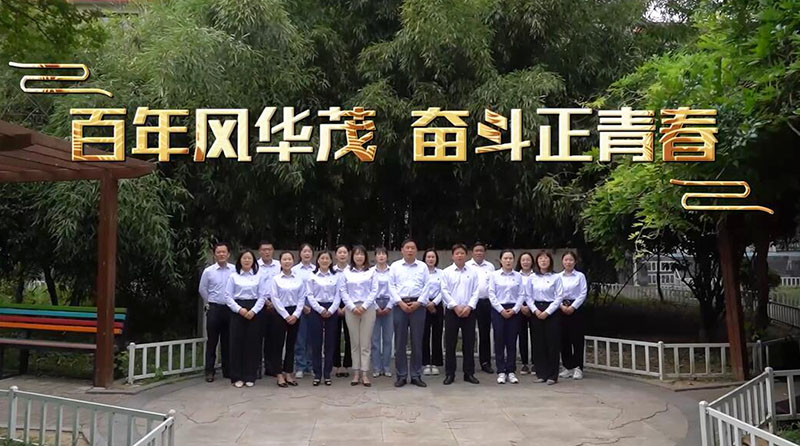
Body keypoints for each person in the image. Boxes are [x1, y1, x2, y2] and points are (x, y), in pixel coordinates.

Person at [389, 239, 430, 388]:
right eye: (407, 248)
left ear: (416, 250)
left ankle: (415, 375)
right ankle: (401, 375)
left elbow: (427, 286)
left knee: (417, 342)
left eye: (413, 248)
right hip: (400, 305)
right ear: (402, 250)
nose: (410, 250)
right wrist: (400, 302)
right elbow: (391, 286)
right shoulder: (395, 266)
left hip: (418, 306)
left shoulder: (423, 266)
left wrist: (419, 303)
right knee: (400, 342)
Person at [224, 250, 266, 388]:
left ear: (253, 261)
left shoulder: (259, 276)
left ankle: (250, 375)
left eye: (249, 258)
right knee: (236, 343)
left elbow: (262, 296)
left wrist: (253, 311)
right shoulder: (233, 276)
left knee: (252, 343)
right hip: (238, 310)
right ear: (239, 261)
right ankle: (237, 376)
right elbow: (228, 296)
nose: (247, 260)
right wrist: (239, 310)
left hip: (254, 310)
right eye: (244, 258)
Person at [439, 244, 481, 385]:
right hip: (452, 311)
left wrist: (469, 307)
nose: (459, 255)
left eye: (462, 253)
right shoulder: (446, 272)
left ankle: (469, 373)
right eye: (457, 253)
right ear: (453, 256)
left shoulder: (473, 272)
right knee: (450, 343)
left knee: (469, 343)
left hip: (469, 311)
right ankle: (450, 373)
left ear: (466, 255)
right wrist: (455, 306)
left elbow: (476, 291)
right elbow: (444, 291)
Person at [522, 251, 563, 385]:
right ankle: (541, 373)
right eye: (540, 259)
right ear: (537, 262)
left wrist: (547, 312)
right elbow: (528, 296)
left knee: (552, 343)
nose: (543, 261)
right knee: (538, 343)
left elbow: (559, 297)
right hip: (536, 310)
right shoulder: (532, 277)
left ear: (550, 261)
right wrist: (534, 310)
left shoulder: (556, 277)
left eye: (546, 259)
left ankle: (552, 375)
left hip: (551, 310)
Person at [268, 251, 308, 387]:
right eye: (284, 259)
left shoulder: (298, 279)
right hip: (280, 313)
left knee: (291, 344)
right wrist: (285, 315)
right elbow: (274, 298)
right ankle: (279, 374)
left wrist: (296, 314)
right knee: (278, 344)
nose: (287, 262)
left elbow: (302, 297)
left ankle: (288, 372)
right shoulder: (276, 279)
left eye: (289, 259)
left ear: (293, 261)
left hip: (295, 312)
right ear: (280, 262)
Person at [198, 242, 235, 382]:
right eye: (218, 252)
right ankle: (209, 371)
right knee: (212, 341)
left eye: (224, 252)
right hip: (214, 308)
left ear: (228, 254)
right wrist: (209, 302)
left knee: (228, 341)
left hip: (230, 309)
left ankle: (228, 370)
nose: (221, 254)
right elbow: (202, 289)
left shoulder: (234, 270)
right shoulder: (208, 271)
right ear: (214, 255)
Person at [341, 245, 376, 386]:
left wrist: (364, 306)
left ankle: (365, 373)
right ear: (352, 256)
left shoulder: (372, 271)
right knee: (355, 342)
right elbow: (343, 291)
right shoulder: (346, 272)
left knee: (365, 343)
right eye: (356, 254)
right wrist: (351, 306)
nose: (359, 257)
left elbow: (374, 290)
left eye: (362, 254)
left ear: (365, 256)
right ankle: (356, 373)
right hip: (351, 309)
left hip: (368, 308)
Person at [306, 251, 342, 386]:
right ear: (318, 261)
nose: (325, 260)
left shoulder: (336, 276)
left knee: (330, 342)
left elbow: (338, 295)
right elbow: (309, 295)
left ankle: (327, 373)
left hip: (332, 308)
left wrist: (331, 309)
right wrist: (320, 309)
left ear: (331, 261)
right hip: (316, 309)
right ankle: (317, 374)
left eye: (327, 258)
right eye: (322, 258)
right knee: (316, 342)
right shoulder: (312, 276)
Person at [488, 250, 525, 384]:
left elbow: (521, 294)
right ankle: (501, 371)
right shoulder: (494, 275)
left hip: (513, 310)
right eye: (505, 258)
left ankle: (511, 370)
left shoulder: (518, 276)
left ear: (514, 260)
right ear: (501, 260)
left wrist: (515, 309)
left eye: (510, 258)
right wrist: (501, 309)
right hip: (499, 309)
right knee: (499, 340)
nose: (508, 261)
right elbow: (491, 294)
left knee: (511, 340)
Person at [466, 242, 496, 374]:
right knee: (469, 334)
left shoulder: (490, 266)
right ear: (472, 252)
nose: (479, 253)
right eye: (476, 250)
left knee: (485, 334)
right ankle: (469, 363)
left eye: (481, 250)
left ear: (485, 252)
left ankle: (485, 362)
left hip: (485, 302)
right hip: (470, 303)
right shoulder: (466, 266)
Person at [558, 251, 588, 381]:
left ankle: (578, 367)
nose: (568, 262)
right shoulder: (558, 277)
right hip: (561, 308)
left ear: (575, 262)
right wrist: (561, 306)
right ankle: (567, 366)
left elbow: (583, 293)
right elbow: (555, 293)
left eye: (571, 260)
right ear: (562, 261)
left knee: (577, 339)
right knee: (563, 338)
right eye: (566, 260)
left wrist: (573, 307)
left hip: (576, 309)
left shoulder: (580, 276)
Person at [256, 241, 281, 378]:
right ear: (260, 251)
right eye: (264, 250)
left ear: (273, 251)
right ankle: (257, 367)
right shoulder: (255, 266)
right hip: (260, 305)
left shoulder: (279, 265)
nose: (267, 252)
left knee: (274, 337)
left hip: (277, 305)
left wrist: (274, 302)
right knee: (258, 336)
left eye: (269, 249)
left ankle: (271, 367)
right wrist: (265, 301)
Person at [292, 243, 315, 379]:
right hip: (298, 305)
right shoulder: (294, 270)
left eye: (309, 251)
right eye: (304, 251)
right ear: (300, 253)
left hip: (314, 305)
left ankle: (310, 365)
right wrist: (302, 306)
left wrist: (313, 305)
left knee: (312, 338)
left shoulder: (316, 269)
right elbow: (292, 288)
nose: (306, 254)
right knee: (300, 338)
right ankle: (300, 366)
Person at [369, 247, 393, 378]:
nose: (381, 256)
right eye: (379, 254)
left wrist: (389, 306)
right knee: (375, 339)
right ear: (375, 257)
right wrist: (375, 306)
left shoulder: (392, 271)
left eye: (384, 254)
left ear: (387, 256)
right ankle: (376, 367)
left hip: (389, 303)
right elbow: (368, 290)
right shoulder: (370, 272)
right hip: (375, 303)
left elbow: (395, 288)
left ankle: (387, 366)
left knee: (388, 339)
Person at [421, 249, 444, 376]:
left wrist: (434, 303)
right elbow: (419, 288)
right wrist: (427, 303)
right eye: (428, 257)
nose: (430, 259)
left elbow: (444, 290)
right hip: (423, 304)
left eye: (433, 257)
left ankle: (435, 363)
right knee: (424, 334)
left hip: (437, 305)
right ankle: (425, 363)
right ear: (424, 259)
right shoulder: (420, 272)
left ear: (436, 259)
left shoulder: (441, 273)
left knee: (437, 334)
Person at [332, 244, 353, 377]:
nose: (342, 255)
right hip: (333, 305)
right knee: (334, 336)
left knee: (349, 336)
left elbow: (355, 289)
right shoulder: (331, 270)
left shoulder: (352, 271)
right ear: (335, 255)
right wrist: (336, 307)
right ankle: (337, 365)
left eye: (345, 252)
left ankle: (346, 365)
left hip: (349, 304)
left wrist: (346, 306)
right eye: (340, 252)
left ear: (348, 255)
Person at [515, 252, 535, 375]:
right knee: (522, 336)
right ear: (520, 262)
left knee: (535, 335)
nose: (526, 262)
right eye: (523, 260)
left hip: (534, 308)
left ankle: (535, 362)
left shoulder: (536, 275)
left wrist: (531, 307)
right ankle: (524, 363)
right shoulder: (516, 275)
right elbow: (514, 293)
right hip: (519, 307)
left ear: (532, 261)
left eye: (528, 260)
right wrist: (521, 306)